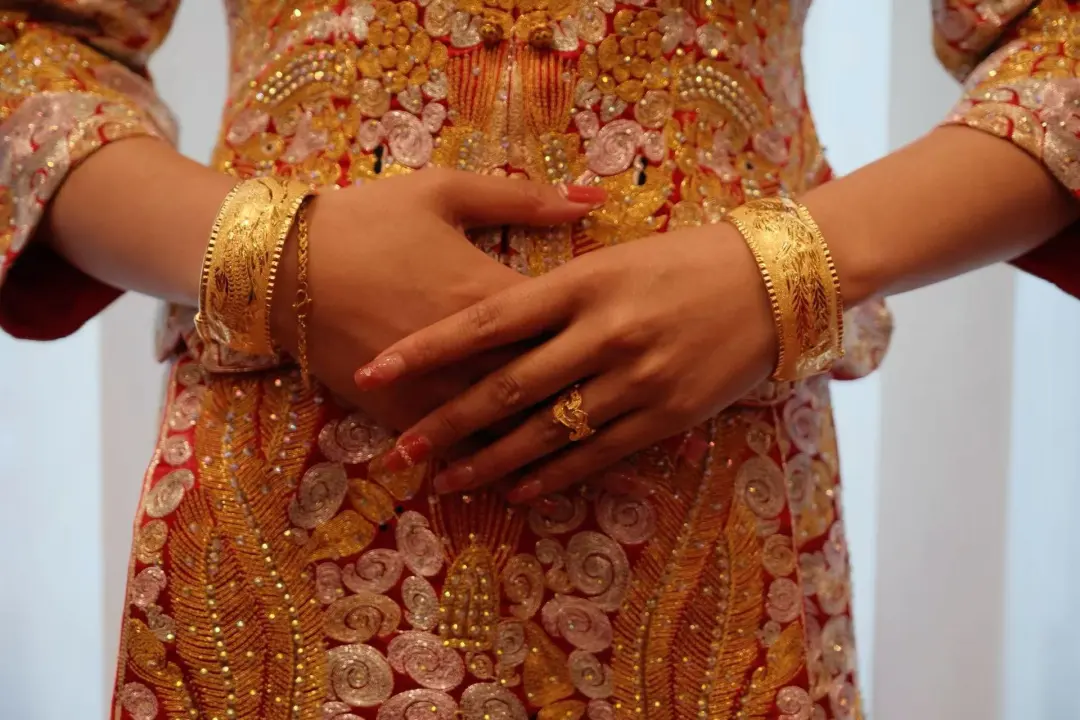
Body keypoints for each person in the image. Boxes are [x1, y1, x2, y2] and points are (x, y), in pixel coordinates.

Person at [1, 0, 1077, 718]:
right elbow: (28, 44)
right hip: (289, 493)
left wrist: (782, 272)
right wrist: (275, 258)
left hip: (709, 513)